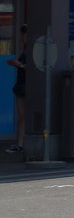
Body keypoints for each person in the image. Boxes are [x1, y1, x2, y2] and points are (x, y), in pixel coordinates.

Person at [5, 24, 26, 154]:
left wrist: (20, 65)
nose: (22, 37)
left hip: (27, 85)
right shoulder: (25, 49)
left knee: (24, 115)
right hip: (21, 84)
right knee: (22, 115)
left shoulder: (34, 49)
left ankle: (21, 143)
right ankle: (20, 143)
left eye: (24, 34)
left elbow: (37, 67)